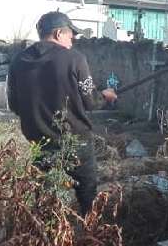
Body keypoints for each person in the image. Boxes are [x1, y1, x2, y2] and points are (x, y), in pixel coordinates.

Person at [8, 11, 117, 214]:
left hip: (39, 143)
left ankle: (47, 237)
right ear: (59, 34)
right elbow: (91, 101)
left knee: (45, 195)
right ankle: (89, 238)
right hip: (76, 142)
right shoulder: (75, 59)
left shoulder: (19, 61)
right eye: (70, 34)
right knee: (87, 193)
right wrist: (106, 95)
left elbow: (14, 105)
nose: (73, 39)